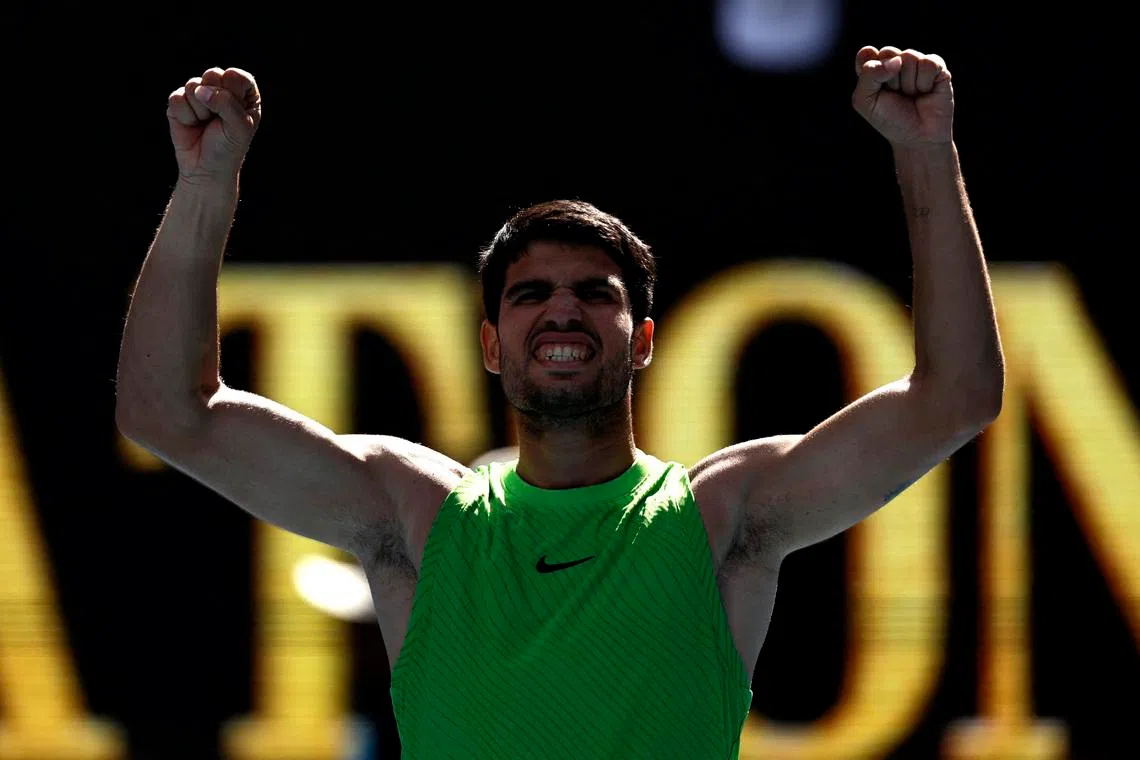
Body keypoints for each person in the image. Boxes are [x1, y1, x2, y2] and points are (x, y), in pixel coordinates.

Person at [116, 45, 1004, 759]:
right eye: (530, 295)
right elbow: (169, 415)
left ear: (644, 341)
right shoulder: (417, 517)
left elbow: (956, 397)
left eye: (596, 291)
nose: (564, 309)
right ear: (493, 347)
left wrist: (928, 154)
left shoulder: (722, 516)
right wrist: (204, 187)